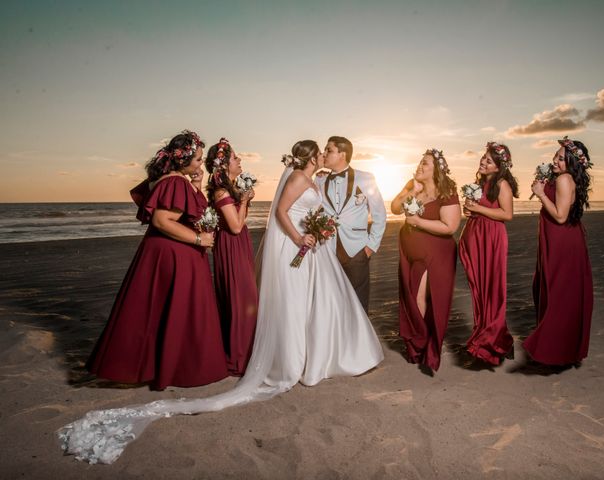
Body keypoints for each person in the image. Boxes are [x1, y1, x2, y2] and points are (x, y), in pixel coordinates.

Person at [58, 140, 383, 464]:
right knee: (293, 305)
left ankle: (315, 356)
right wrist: (299, 236)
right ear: (312, 157)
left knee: (315, 304)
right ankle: (292, 361)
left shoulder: (316, 179)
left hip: (311, 250)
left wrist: (318, 229)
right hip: (296, 248)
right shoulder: (299, 178)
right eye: (322, 151)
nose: (326, 154)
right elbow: (281, 212)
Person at [86, 130, 228, 390]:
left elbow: (181, 211)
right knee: (179, 309)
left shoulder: (166, 179)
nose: (200, 164)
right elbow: (162, 220)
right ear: (181, 160)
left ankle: (158, 365)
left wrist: (195, 185)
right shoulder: (175, 182)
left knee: (158, 309)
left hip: (163, 252)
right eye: (196, 159)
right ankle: (179, 368)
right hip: (174, 254)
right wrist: (200, 240)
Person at [523, 136, 593, 365]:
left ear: (572, 162)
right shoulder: (561, 177)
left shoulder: (564, 179)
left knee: (558, 293)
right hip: (557, 239)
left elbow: (561, 216)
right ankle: (560, 349)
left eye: (561, 158)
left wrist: (541, 194)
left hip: (562, 241)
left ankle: (553, 350)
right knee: (552, 289)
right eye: (555, 156)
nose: (555, 161)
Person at [390, 149, 460, 372]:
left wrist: (417, 222)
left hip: (435, 253)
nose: (420, 166)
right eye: (420, 162)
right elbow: (394, 208)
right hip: (410, 252)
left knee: (422, 297)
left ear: (436, 169)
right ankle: (419, 342)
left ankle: (423, 346)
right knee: (411, 296)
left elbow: (450, 226)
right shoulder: (414, 188)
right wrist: (407, 190)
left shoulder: (446, 192)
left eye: (425, 164)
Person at [459, 142, 519, 366]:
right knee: (480, 290)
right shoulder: (481, 183)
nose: (483, 162)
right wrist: (469, 211)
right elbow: (476, 211)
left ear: (499, 167)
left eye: (489, 161)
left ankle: (488, 347)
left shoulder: (502, 184)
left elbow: (507, 214)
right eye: (484, 158)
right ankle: (498, 339)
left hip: (492, 239)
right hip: (476, 236)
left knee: (492, 289)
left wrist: (478, 209)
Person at [316, 136, 387, 313]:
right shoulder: (319, 180)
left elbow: (379, 214)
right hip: (327, 251)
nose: (324, 154)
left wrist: (370, 247)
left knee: (358, 306)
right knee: (331, 304)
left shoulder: (365, 178)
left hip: (357, 250)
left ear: (342, 154)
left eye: (329, 150)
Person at [205, 138, 258, 376]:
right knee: (240, 297)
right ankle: (238, 356)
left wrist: (244, 197)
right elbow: (236, 226)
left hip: (238, 245)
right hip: (231, 245)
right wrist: (245, 200)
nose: (239, 160)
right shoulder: (221, 191)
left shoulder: (231, 188)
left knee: (246, 296)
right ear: (225, 165)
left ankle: (246, 351)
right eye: (235, 158)